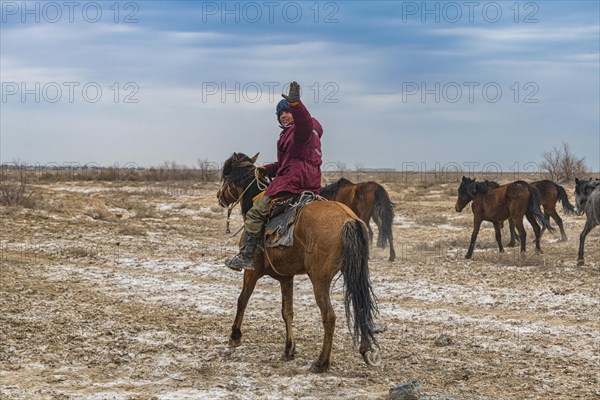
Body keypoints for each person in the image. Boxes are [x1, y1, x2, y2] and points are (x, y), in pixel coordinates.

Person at [226, 81, 324, 270]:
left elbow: (304, 122)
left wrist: (296, 104)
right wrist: (266, 169)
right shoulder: (306, 136)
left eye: (288, 112)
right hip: (309, 183)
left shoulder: (300, 131)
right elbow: (288, 163)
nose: (285, 116)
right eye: (281, 114)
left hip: (292, 184)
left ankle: (246, 256)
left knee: (255, 212)